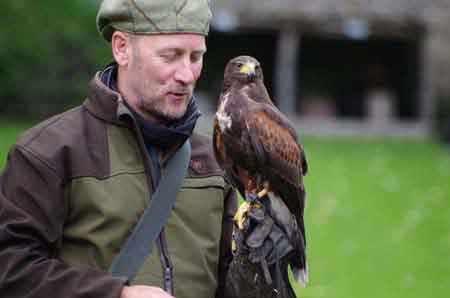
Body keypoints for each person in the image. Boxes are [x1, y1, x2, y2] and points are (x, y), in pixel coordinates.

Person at [0, 1, 237, 298]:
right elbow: (11, 270)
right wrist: (117, 295)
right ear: (122, 48)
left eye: (196, 56)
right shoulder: (48, 153)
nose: (187, 75)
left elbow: (231, 278)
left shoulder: (216, 160)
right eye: (171, 56)